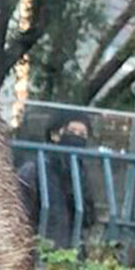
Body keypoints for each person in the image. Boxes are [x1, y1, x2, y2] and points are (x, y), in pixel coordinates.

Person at [17, 108, 97, 253]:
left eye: (82, 135)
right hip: (38, 253)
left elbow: (88, 218)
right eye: (71, 132)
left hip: (68, 256)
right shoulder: (34, 170)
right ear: (54, 135)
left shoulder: (81, 175)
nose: (77, 139)